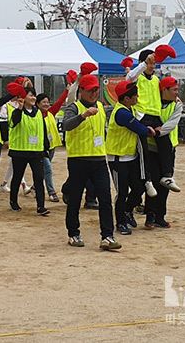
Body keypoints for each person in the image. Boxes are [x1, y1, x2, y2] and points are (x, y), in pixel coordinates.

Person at [62, 74, 121, 251]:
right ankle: (73, 233)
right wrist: (83, 115)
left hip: (99, 159)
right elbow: (66, 125)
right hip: (78, 160)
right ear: (81, 91)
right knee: (75, 199)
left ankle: (107, 236)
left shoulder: (101, 107)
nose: (94, 93)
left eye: (96, 90)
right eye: (91, 90)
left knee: (105, 198)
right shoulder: (73, 107)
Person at [126, 48, 180, 192]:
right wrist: (144, 64)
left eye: (154, 63)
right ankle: (147, 180)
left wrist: (175, 97)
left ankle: (167, 176)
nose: (152, 66)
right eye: (150, 63)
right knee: (143, 149)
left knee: (165, 143)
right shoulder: (138, 77)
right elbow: (129, 78)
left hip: (155, 116)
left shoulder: (156, 79)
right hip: (141, 116)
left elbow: (165, 92)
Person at [106, 80, 151, 235]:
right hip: (117, 159)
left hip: (129, 157)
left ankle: (127, 211)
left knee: (139, 188)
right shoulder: (121, 113)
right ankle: (120, 222)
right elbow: (140, 129)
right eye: (135, 95)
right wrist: (151, 130)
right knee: (122, 192)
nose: (137, 97)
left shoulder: (128, 109)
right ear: (126, 99)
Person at [145, 76, 184, 228]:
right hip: (151, 148)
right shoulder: (153, 102)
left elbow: (173, 123)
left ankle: (160, 216)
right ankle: (150, 215)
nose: (177, 93)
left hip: (169, 148)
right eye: (174, 90)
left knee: (165, 183)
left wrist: (159, 132)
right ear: (164, 90)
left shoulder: (177, 105)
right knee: (152, 182)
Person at [8, 87, 50, 215]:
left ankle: (40, 206)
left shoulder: (38, 112)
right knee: (17, 177)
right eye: (30, 95)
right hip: (19, 151)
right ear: (23, 97)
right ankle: (13, 201)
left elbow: (42, 130)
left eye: (34, 96)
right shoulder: (17, 112)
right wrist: (20, 109)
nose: (33, 98)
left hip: (36, 151)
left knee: (39, 177)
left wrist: (45, 148)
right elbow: (14, 122)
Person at [35, 85, 69, 203]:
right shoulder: (34, 115)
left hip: (51, 146)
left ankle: (36, 186)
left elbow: (60, 102)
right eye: (43, 102)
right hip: (40, 148)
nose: (46, 104)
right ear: (37, 104)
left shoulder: (50, 113)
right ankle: (51, 192)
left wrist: (67, 90)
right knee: (48, 168)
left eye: (47, 102)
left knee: (43, 169)